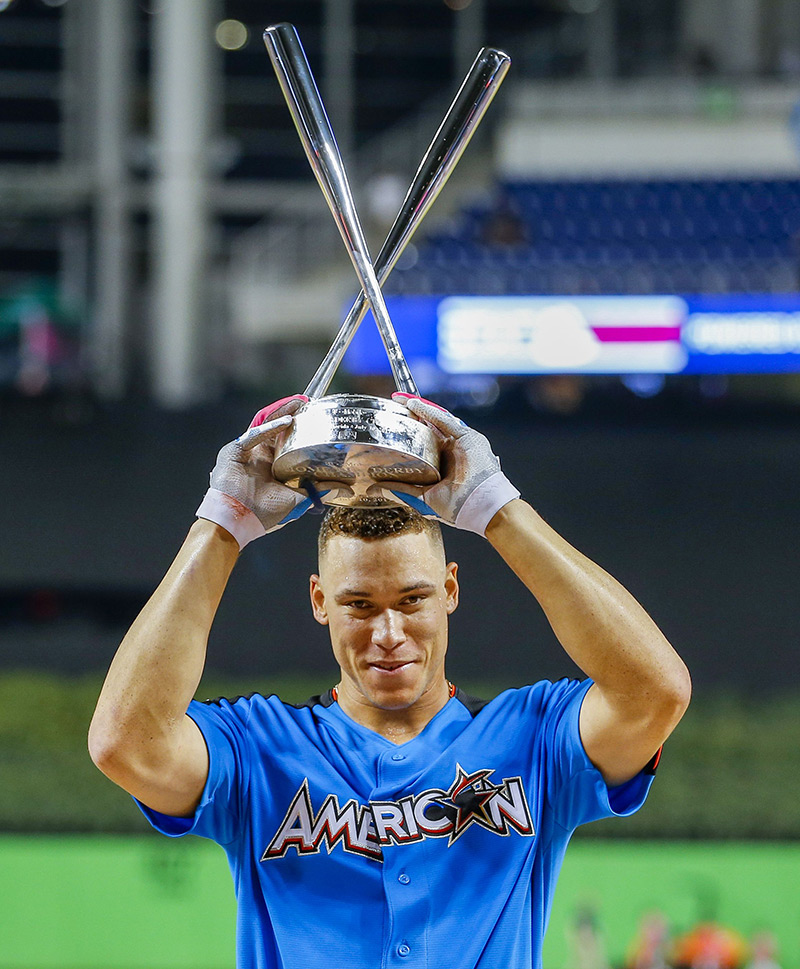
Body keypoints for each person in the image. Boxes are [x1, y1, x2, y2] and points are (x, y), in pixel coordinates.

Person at [88, 393, 691, 969]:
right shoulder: (257, 749)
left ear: (450, 590)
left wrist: (496, 507)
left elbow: (655, 691)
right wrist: (224, 521)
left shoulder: (533, 740)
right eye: (360, 605)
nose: (389, 632)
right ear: (320, 601)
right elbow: (125, 742)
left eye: (412, 599)